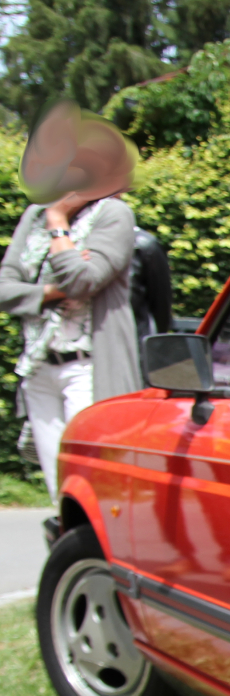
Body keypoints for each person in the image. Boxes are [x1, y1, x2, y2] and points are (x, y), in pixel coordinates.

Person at [0, 103, 140, 501]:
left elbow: (83, 280)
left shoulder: (114, 214)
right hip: (40, 368)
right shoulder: (32, 216)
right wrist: (49, 294)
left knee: (91, 479)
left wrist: (59, 222)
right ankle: (70, 556)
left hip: (89, 368)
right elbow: (4, 288)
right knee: (57, 482)